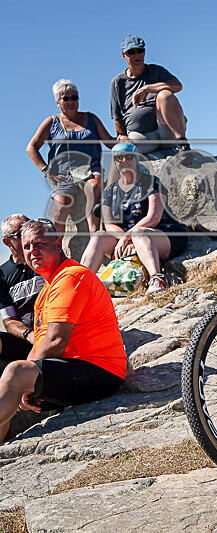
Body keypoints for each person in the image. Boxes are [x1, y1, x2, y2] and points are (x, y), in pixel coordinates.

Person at [0, 219, 126, 442]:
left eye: (39, 243)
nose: (32, 251)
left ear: (58, 243)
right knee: (16, 375)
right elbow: (41, 343)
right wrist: (28, 383)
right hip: (73, 371)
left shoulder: (71, 277)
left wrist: (25, 381)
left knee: (16, 372)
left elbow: (56, 341)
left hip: (101, 373)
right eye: (27, 246)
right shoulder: (47, 289)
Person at [80, 143, 187, 294]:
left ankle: (157, 279)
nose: (124, 161)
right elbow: (109, 225)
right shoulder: (110, 191)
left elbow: (154, 217)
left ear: (136, 159)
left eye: (128, 156)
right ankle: (80, 284)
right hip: (128, 239)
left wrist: (128, 237)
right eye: (119, 157)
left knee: (140, 233)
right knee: (98, 236)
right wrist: (126, 238)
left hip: (161, 235)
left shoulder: (152, 181)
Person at [26, 79, 116, 234]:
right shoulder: (51, 122)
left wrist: (123, 139)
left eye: (74, 97)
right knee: (62, 204)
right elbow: (31, 148)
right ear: (57, 102)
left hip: (89, 169)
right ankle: (57, 244)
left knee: (94, 187)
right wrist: (46, 170)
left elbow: (109, 142)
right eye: (65, 98)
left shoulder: (91, 119)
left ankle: (95, 234)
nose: (71, 101)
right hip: (62, 172)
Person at [111, 35, 189, 154]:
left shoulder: (156, 71)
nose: (136, 55)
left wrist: (147, 89)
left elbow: (177, 86)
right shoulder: (118, 82)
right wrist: (122, 135)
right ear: (124, 55)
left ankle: (183, 146)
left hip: (166, 131)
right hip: (141, 136)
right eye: (131, 52)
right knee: (121, 151)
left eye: (140, 51)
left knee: (164, 95)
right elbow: (117, 117)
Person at [0, 215, 44, 372]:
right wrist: (29, 334)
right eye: (21, 233)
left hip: (55, 333)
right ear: (7, 241)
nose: (29, 235)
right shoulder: (2, 275)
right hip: (26, 340)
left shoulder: (45, 258)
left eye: (31, 228)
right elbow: (9, 321)